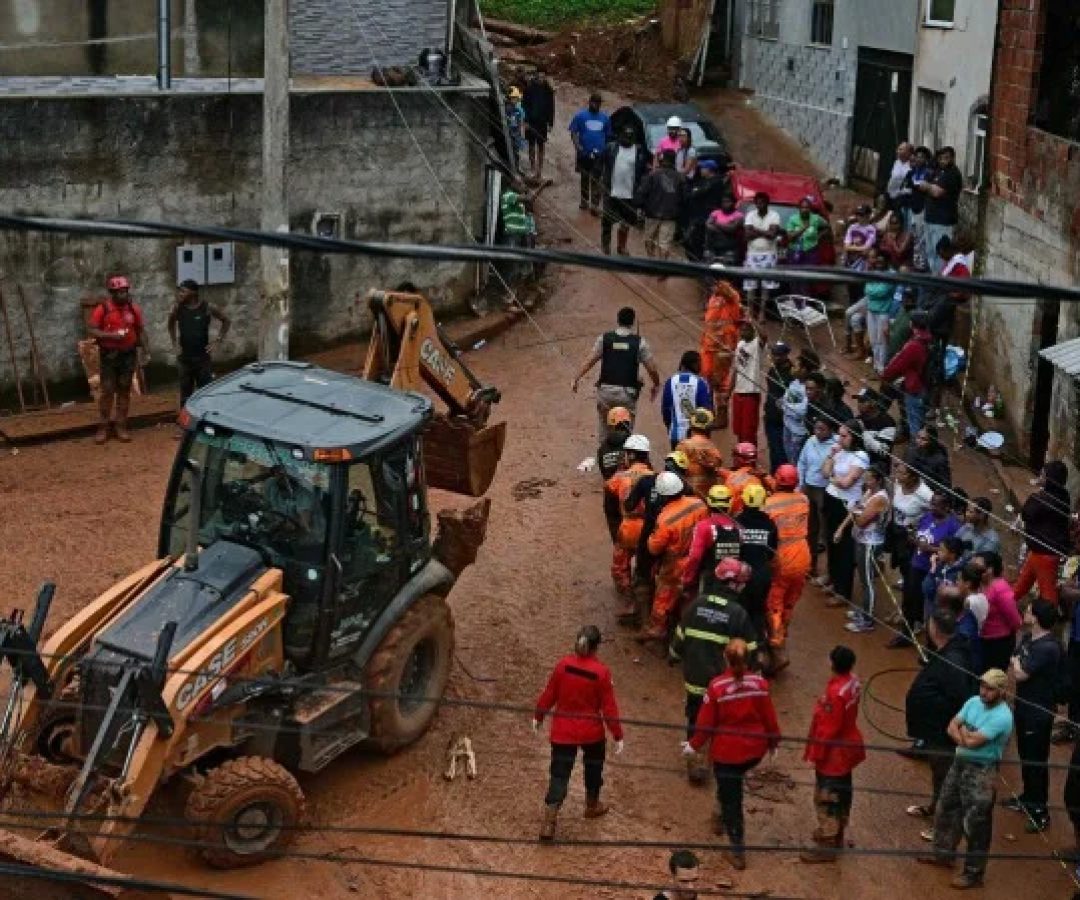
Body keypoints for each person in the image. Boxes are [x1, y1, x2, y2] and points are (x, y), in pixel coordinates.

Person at [684, 639, 780, 870]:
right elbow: (769, 717)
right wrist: (773, 742)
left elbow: (705, 724)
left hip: (728, 754)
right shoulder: (759, 683)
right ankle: (718, 817)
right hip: (754, 750)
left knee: (733, 800)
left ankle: (736, 851)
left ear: (725, 658)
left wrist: (693, 745)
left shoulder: (717, 686)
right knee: (729, 786)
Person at [919, 669, 1014, 889]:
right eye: (982, 686)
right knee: (946, 808)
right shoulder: (973, 701)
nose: (984, 692)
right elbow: (951, 726)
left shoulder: (1002, 717)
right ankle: (943, 854)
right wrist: (964, 735)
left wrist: (961, 734)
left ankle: (974, 874)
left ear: (1001, 691)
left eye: (990, 689)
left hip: (982, 771)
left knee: (976, 824)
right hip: (959, 763)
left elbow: (971, 742)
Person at [671, 557, 758, 783]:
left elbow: (679, 640)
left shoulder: (696, 605)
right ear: (732, 584)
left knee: (694, 717)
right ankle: (719, 763)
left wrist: (674, 656)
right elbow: (750, 651)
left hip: (694, 678)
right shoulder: (738, 614)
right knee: (720, 722)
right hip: (720, 684)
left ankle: (695, 762)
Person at [534, 626, 624, 841]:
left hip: (563, 732)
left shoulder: (563, 665)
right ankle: (591, 805)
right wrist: (618, 735)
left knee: (559, 774)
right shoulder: (601, 673)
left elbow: (550, 694)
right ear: (596, 647)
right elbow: (609, 708)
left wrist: (538, 716)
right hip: (591, 733)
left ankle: (549, 822)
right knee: (593, 769)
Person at [903, 610, 977, 837]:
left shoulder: (953, 659)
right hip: (935, 730)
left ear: (935, 629)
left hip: (946, 733)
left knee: (948, 779)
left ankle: (943, 829)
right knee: (938, 774)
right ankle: (935, 808)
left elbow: (959, 696)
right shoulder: (947, 650)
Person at [801, 645, 866, 863]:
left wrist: (815, 755)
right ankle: (837, 833)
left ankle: (828, 843)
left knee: (826, 797)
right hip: (848, 747)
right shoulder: (853, 682)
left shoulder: (835, 693)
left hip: (834, 754)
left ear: (833, 664)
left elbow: (828, 729)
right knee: (844, 791)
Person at [1006, 599, 1061, 832]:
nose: (1025, 612)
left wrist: (1018, 664)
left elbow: (1019, 673)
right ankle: (1028, 797)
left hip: (1038, 712)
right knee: (1026, 755)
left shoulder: (1048, 647)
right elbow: (1016, 660)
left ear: (1036, 617)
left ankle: (1040, 811)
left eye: (1028, 611)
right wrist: (1018, 664)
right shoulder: (1029, 638)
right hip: (1024, 707)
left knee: (1036, 760)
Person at [573, 306, 661, 438]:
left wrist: (576, 378)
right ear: (632, 322)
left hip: (605, 394)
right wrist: (656, 385)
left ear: (617, 320)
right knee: (625, 433)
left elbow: (590, 360)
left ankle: (604, 455)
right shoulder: (639, 343)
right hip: (627, 395)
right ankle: (623, 455)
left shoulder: (604, 339)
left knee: (604, 431)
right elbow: (652, 369)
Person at [645, 472, 709, 642]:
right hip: (697, 560)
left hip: (674, 565)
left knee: (663, 597)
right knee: (691, 595)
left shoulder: (665, 519)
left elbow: (654, 548)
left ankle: (658, 629)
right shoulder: (699, 505)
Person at [88, 274, 149, 444]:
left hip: (128, 355)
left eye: (125, 291)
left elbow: (140, 330)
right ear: (112, 293)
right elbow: (93, 329)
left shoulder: (133, 309)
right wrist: (111, 336)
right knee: (107, 391)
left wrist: (146, 350)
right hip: (109, 355)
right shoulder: (103, 309)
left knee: (124, 389)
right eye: (119, 292)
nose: (123, 295)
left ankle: (121, 425)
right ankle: (103, 427)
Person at [764, 464, 810, 671]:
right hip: (803, 553)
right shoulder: (803, 500)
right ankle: (783, 632)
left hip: (783, 556)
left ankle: (777, 646)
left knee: (775, 602)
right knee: (791, 600)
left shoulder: (769, 505)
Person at [885, 462, 935, 647]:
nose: (897, 474)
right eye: (897, 470)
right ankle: (907, 613)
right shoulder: (899, 484)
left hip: (911, 540)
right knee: (904, 577)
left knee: (913, 582)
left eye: (902, 473)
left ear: (913, 477)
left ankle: (913, 620)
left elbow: (935, 512)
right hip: (897, 535)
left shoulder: (925, 494)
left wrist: (920, 528)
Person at [835, 465, 890, 633]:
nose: (866, 480)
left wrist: (855, 510)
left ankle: (868, 620)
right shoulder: (869, 493)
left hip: (870, 543)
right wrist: (841, 528)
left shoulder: (879, 498)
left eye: (869, 478)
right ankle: (865, 610)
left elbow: (860, 521)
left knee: (867, 582)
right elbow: (855, 512)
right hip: (861, 540)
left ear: (877, 480)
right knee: (864, 579)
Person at [820, 422, 869, 609]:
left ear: (854, 437)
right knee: (830, 541)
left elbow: (847, 483)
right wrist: (831, 456)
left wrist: (833, 478)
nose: (839, 439)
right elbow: (824, 472)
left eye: (844, 436)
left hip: (846, 505)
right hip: (831, 498)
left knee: (844, 548)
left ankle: (843, 591)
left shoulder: (861, 456)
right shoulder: (839, 451)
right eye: (839, 435)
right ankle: (832, 578)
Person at [1014, 459, 1072, 604]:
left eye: (1043, 475)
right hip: (1041, 550)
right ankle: (1007, 601)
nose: (1040, 477)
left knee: (1047, 594)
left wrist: (1037, 494)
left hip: (1045, 553)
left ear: (1049, 479)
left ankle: (1047, 620)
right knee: (1023, 583)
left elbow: (1027, 514)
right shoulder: (1064, 496)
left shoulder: (1043, 499)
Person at [605, 433, 654, 605]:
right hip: (649, 529)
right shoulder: (654, 475)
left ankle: (627, 600)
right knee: (650, 566)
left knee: (620, 567)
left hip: (627, 527)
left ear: (630, 455)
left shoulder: (620, 477)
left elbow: (609, 492)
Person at [167, 279, 230, 407]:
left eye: (183, 291)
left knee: (205, 393)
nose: (180, 294)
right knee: (185, 395)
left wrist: (218, 341)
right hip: (184, 359)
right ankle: (185, 422)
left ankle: (203, 421)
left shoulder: (207, 307)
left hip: (203, 360)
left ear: (193, 293)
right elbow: (170, 323)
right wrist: (174, 342)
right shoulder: (177, 308)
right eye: (179, 291)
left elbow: (226, 321)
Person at [736, 483, 778, 645]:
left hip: (742, 574)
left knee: (741, 609)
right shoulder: (769, 523)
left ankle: (740, 646)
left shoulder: (736, 520)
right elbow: (772, 551)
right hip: (762, 573)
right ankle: (760, 647)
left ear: (744, 501)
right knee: (758, 610)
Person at [683, 485, 743, 598]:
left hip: (710, 580)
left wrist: (688, 579)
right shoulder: (738, 527)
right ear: (729, 503)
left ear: (709, 503)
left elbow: (695, 557)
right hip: (732, 582)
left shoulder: (704, 526)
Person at [699, 281, 744, 429]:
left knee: (720, 382)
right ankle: (710, 412)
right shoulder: (713, 297)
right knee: (707, 378)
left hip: (724, 347)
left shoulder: (731, 296)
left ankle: (722, 417)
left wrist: (721, 284)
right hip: (709, 345)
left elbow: (730, 295)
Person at [600, 125, 651, 256]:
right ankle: (605, 246)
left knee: (626, 223)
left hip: (629, 194)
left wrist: (640, 192)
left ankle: (621, 247)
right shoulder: (611, 148)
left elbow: (643, 173)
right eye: (625, 136)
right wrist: (601, 184)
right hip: (612, 192)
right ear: (620, 136)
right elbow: (600, 165)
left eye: (630, 137)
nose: (627, 139)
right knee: (607, 220)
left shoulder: (638, 151)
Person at [882, 311, 932, 437]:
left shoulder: (914, 345)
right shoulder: (929, 339)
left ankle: (917, 452)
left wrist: (884, 375)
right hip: (926, 384)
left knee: (914, 425)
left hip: (915, 387)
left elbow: (896, 365)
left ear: (912, 324)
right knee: (919, 419)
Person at [798, 416, 837, 580]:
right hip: (809, 488)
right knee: (809, 530)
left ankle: (830, 572)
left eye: (822, 429)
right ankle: (810, 566)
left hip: (825, 490)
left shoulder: (836, 446)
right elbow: (802, 463)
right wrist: (800, 485)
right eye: (816, 428)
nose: (818, 432)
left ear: (830, 430)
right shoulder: (810, 441)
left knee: (826, 531)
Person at [916, 147, 963, 274]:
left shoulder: (953, 174)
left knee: (941, 253)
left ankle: (940, 279)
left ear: (952, 158)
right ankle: (934, 277)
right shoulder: (937, 171)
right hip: (930, 218)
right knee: (930, 252)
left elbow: (937, 192)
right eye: (941, 158)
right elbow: (921, 183)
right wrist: (928, 185)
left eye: (946, 158)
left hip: (943, 221)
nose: (943, 161)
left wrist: (928, 186)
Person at [634, 150, 687, 263]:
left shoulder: (653, 174)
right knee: (664, 243)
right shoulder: (680, 177)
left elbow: (642, 192)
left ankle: (652, 261)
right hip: (671, 216)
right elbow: (684, 198)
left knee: (649, 240)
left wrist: (640, 207)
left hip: (652, 213)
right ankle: (662, 267)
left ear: (662, 160)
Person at [974, 550, 1021, 673]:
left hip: (998, 643)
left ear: (990, 569)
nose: (974, 569)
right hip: (981, 638)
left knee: (992, 679)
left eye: (978, 567)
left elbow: (1015, 620)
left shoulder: (1000, 588)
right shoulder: (978, 583)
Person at [742, 192, 782, 321]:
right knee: (750, 285)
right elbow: (747, 236)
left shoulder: (774, 215)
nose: (760, 204)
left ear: (767, 203)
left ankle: (762, 313)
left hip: (769, 254)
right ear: (755, 203)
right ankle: (749, 312)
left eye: (763, 202)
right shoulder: (750, 215)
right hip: (752, 254)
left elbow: (772, 235)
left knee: (766, 286)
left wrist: (756, 230)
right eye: (758, 202)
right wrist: (766, 232)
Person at [569, 92, 611, 214]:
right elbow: (573, 132)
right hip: (584, 153)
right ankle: (584, 200)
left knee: (597, 179)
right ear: (590, 102)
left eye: (599, 103)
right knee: (584, 177)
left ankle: (595, 204)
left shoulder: (605, 118)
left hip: (600, 154)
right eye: (595, 103)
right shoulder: (580, 116)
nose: (597, 105)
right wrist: (578, 146)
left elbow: (608, 136)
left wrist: (606, 150)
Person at [662, 351, 713, 448]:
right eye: (699, 363)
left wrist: (671, 427)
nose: (701, 366)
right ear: (694, 364)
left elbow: (666, 410)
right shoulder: (701, 383)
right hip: (696, 437)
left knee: (677, 461)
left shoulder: (670, 381)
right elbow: (706, 410)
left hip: (676, 436)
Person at [598, 407, 634, 544]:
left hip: (611, 492)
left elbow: (604, 472)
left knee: (616, 532)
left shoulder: (603, 448)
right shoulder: (634, 444)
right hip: (630, 491)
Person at [682, 159, 727, 261]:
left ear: (710, 170)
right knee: (691, 241)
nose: (701, 170)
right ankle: (696, 263)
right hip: (698, 216)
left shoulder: (715, 182)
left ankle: (700, 265)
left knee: (698, 241)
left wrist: (694, 191)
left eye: (703, 168)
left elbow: (696, 193)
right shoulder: (704, 181)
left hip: (705, 218)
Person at [676, 408, 724, 498]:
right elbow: (717, 464)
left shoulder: (684, 445)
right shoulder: (712, 447)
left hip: (689, 496)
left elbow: (675, 470)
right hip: (708, 496)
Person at [781, 349, 817, 467]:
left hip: (798, 432)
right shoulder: (794, 383)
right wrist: (787, 406)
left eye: (796, 366)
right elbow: (784, 402)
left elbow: (801, 411)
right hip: (788, 427)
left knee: (796, 463)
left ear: (804, 369)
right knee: (789, 459)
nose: (793, 368)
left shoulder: (808, 388)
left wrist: (786, 406)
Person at [731, 322, 764, 446]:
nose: (742, 333)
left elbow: (764, 336)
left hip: (751, 394)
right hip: (738, 393)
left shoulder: (757, 345)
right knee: (738, 430)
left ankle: (750, 460)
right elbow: (736, 369)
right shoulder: (740, 345)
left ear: (753, 330)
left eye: (746, 330)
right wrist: (729, 392)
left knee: (748, 432)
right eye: (741, 330)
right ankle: (741, 456)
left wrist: (754, 320)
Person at [763, 341, 793, 469]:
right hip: (770, 414)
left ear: (786, 355)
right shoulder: (773, 369)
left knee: (781, 450)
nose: (775, 357)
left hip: (782, 419)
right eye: (774, 354)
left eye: (779, 355)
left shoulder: (791, 374)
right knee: (773, 448)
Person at [901, 146, 933, 264]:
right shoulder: (911, 173)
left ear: (926, 159)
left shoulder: (929, 174)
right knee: (911, 234)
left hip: (922, 208)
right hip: (910, 207)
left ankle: (921, 262)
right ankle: (912, 260)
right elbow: (905, 188)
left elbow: (923, 189)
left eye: (922, 157)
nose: (919, 159)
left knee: (921, 236)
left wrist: (915, 187)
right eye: (917, 156)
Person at [852, 388, 896, 471]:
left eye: (862, 401)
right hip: (859, 464)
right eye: (858, 401)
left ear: (873, 402)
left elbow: (883, 452)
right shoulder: (858, 419)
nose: (859, 404)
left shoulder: (887, 422)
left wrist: (864, 433)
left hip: (877, 469)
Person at [522, 68, 555, 178]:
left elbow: (551, 107)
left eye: (543, 76)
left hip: (542, 122)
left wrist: (550, 123)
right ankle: (532, 168)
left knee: (541, 145)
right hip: (531, 121)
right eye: (539, 76)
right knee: (531, 144)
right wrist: (525, 121)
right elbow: (524, 106)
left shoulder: (548, 90)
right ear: (536, 76)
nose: (541, 79)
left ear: (545, 77)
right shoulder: (529, 89)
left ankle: (540, 170)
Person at [784, 197, 829, 270]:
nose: (804, 210)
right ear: (799, 208)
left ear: (810, 209)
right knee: (795, 275)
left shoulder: (816, 218)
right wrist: (804, 228)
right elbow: (790, 237)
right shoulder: (793, 219)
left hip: (811, 251)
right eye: (802, 208)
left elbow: (827, 227)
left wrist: (819, 236)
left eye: (807, 208)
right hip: (795, 251)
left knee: (810, 274)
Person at [904, 425, 952, 491]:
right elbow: (904, 468)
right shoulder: (911, 450)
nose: (919, 441)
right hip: (911, 486)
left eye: (924, 439)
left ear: (932, 441)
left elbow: (946, 484)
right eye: (918, 437)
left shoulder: (940, 460)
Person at [724, 442, 765, 517]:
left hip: (737, 519)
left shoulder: (732, 478)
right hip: (756, 516)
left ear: (740, 459)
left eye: (734, 456)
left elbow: (728, 504)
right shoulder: (760, 478)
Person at [705, 194, 745, 267]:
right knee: (711, 270)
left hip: (730, 248)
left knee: (728, 271)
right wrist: (725, 228)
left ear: (734, 203)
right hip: (714, 248)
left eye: (728, 202)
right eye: (723, 202)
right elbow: (708, 225)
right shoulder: (715, 213)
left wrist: (716, 223)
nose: (725, 204)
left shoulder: (739, 215)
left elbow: (732, 229)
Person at [842, 205, 877, 273]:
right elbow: (846, 246)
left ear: (868, 215)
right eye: (857, 214)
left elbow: (867, 248)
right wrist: (859, 248)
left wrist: (852, 247)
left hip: (863, 262)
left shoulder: (871, 229)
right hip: (850, 260)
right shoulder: (852, 227)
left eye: (861, 215)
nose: (859, 217)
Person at [885, 142, 913, 210]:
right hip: (890, 196)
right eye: (898, 149)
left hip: (902, 199)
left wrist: (899, 194)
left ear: (908, 153)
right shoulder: (896, 162)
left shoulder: (911, 166)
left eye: (901, 149)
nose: (897, 151)